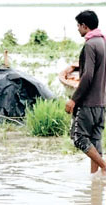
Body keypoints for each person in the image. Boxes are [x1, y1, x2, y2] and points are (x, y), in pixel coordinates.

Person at [65, 10, 106, 175]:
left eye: (78, 25)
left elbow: (88, 75)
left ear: (85, 26)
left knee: (78, 138)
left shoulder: (90, 45)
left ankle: (104, 167)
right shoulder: (103, 42)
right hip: (101, 103)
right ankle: (96, 181)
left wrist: (74, 100)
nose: (77, 29)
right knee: (95, 142)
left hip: (88, 103)